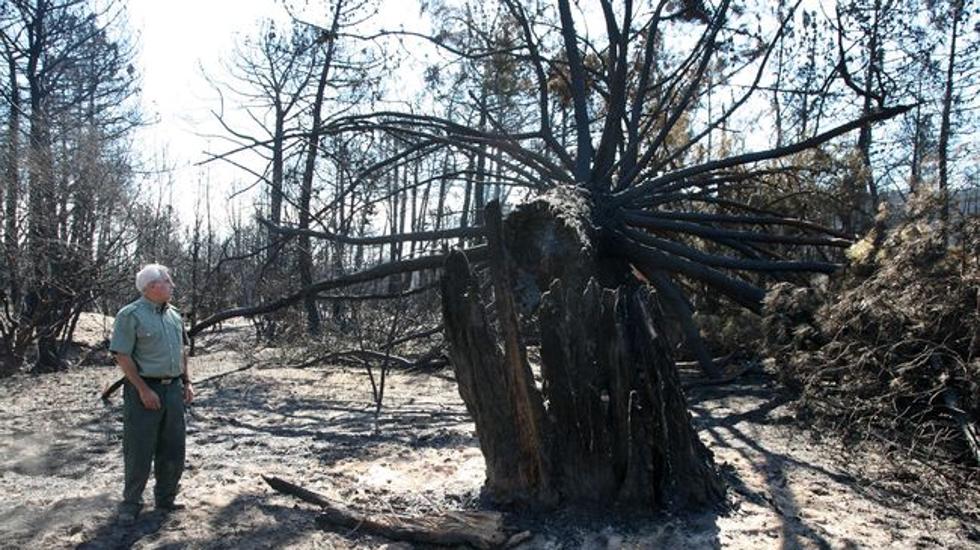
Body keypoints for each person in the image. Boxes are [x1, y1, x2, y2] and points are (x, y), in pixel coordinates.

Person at [109, 264, 193, 525]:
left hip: (173, 390)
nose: (172, 286)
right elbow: (121, 355)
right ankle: (131, 503)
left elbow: (182, 351)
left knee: (173, 446)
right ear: (151, 286)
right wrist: (143, 389)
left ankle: (166, 497)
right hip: (143, 389)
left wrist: (186, 382)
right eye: (167, 281)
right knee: (139, 447)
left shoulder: (175, 315)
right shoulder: (130, 315)